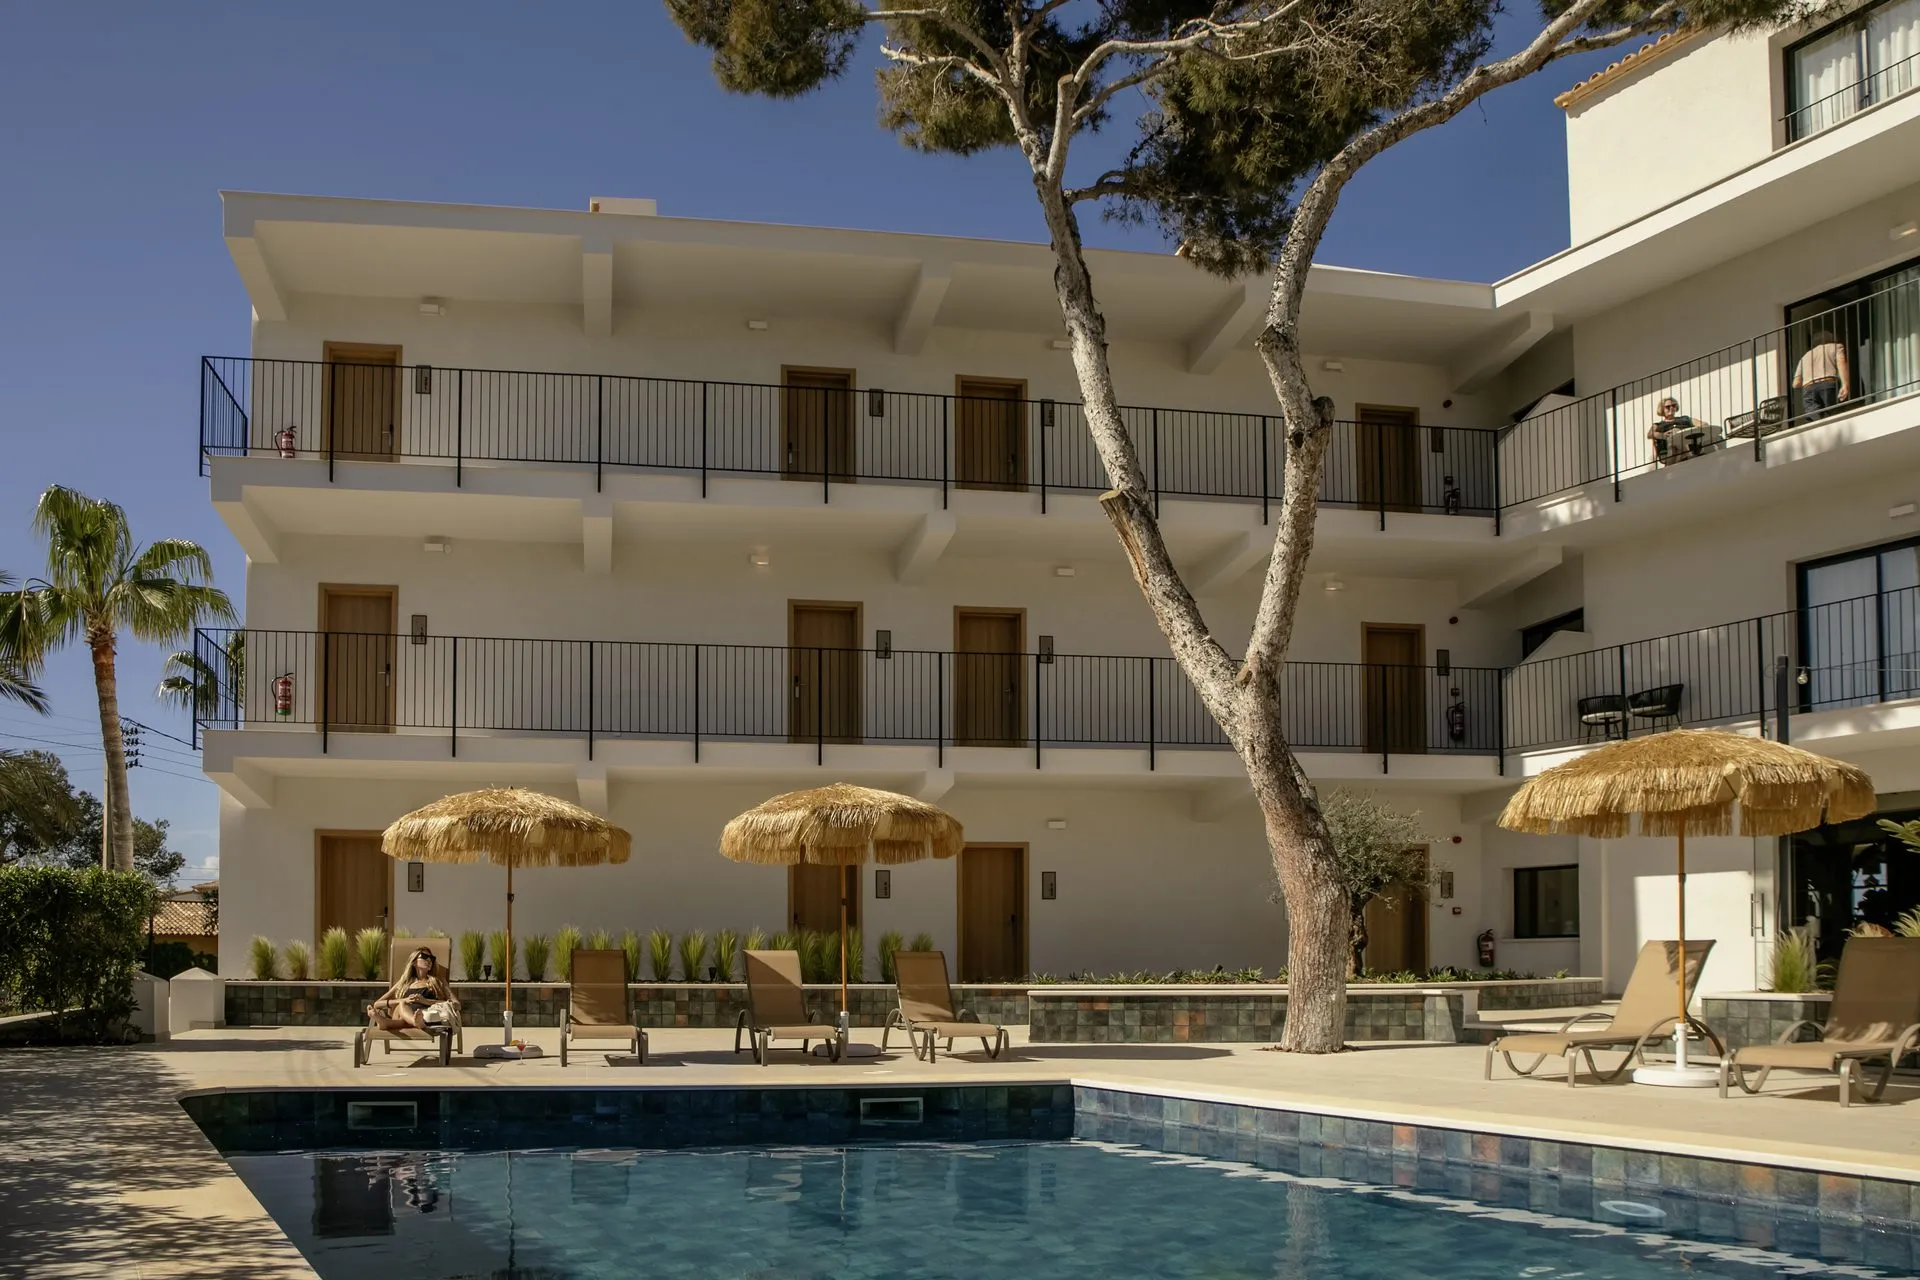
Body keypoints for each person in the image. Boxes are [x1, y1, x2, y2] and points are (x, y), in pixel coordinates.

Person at [367, 946, 452, 1031]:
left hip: (424, 1016)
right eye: (425, 957)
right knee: (402, 1005)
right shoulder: (404, 982)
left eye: (431, 958)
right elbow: (377, 1004)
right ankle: (414, 1022)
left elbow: (455, 1004)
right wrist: (403, 1000)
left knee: (405, 1009)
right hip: (411, 1019)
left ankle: (386, 1023)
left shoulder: (438, 981)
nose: (429, 960)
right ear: (414, 962)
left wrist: (426, 1001)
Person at [1793, 329, 1850, 420]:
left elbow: (1796, 384)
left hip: (1808, 389)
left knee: (1816, 421)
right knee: (1836, 416)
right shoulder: (1836, 347)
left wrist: (1810, 379)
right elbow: (1841, 363)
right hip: (1827, 384)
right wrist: (1845, 384)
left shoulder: (1804, 357)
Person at [1647, 398, 1699, 463]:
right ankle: (1689, 455)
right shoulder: (1658, 425)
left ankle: (1681, 457)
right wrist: (1662, 435)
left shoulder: (1685, 418)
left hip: (1684, 448)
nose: (1671, 408)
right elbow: (1650, 434)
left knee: (1675, 434)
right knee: (1675, 432)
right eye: (1668, 407)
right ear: (1662, 409)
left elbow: (1701, 424)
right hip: (1668, 451)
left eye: (1673, 405)